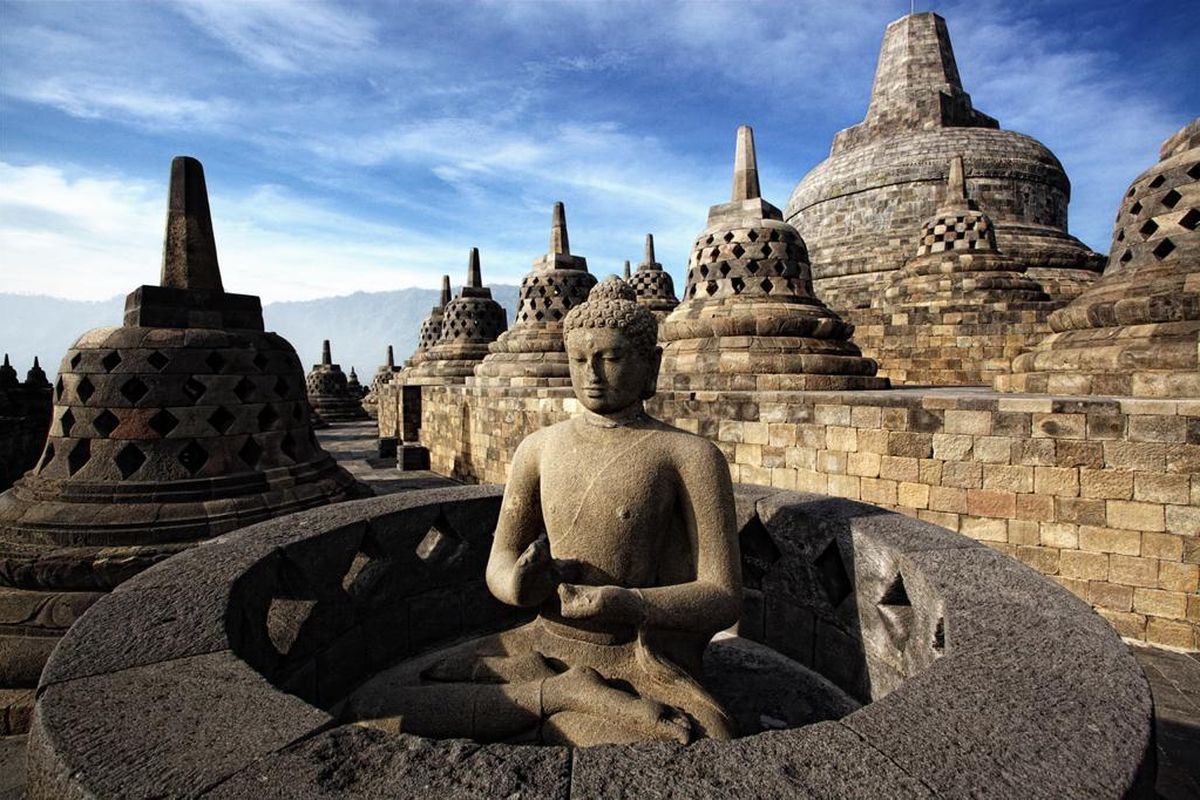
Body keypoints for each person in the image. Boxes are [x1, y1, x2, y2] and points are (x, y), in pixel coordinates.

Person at [344, 277, 741, 746]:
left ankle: (571, 699)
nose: (591, 373)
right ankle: (560, 694)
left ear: (650, 366)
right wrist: (517, 584)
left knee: (701, 735)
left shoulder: (689, 456)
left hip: (632, 656)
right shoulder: (538, 449)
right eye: (578, 359)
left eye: (610, 358)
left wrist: (628, 603)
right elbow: (500, 562)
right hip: (540, 641)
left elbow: (722, 595)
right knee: (378, 700)